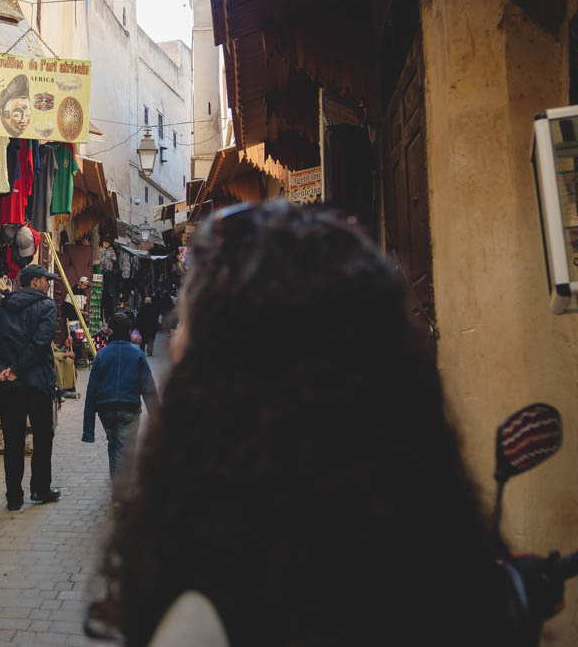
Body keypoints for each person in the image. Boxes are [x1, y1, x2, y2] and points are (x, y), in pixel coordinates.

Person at [91, 202, 515, 646]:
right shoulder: (453, 567)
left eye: (185, 329)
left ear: (218, 388)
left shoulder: (208, 607)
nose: (174, 340)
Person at [0, 263, 61, 510]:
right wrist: (14, 370)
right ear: (35, 282)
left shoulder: (3, 308)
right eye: (45, 279)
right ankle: (40, 489)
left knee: (13, 441)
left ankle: (14, 497)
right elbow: (40, 344)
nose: (48, 284)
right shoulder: (47, 306)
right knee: (42, 438)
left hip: (9, 387)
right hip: (36, 384)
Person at [82, 312, 158, 485]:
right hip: (129, 408)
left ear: (110, 331)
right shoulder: (137, 354)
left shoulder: (101, 355)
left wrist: (88, 429)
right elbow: (149, 388)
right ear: (129, 331)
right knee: (125, 449)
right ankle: (121, 490)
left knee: (114, 444)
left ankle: (117, 483)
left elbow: (91, 391)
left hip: (106, 410)